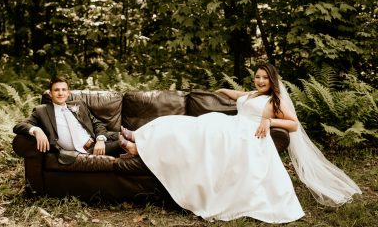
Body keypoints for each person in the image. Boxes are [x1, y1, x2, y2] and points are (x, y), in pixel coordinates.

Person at [118, 64, 361, 224]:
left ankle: (137, 145)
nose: (260, 80)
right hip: (230, 124)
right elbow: (236, 96)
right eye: (257, 76)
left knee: (195, 133)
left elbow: (294, 124)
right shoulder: (252, 94)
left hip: (246, 134)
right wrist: (221, 89)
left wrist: (269, 120)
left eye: (265, 77)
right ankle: (138, 139)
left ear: (272, 80)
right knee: (180, 124)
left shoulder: (274, 100)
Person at [13, 76, 122, 162]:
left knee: (129, 136)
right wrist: (37, 130)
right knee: (124, 144)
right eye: (56, 90)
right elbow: (19, 126)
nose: (60, 93)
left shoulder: (79, 105)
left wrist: (100, 140)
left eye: (63, 90)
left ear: (68, 93)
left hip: (97, 142)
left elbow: (97, 123)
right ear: (50, 94)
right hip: (86, 151)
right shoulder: (41, 111)